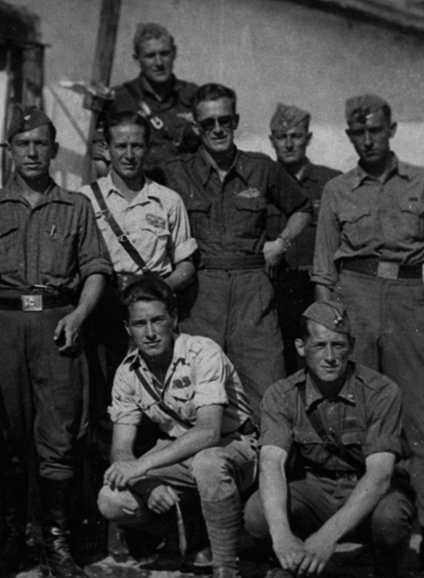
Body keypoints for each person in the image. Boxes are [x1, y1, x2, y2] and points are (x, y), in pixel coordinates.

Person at [313, 94, 424, 578]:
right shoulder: (338, 191)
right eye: (358, 133)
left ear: (392, 128)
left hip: (407, 301)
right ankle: (369, 532)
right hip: (353, 301)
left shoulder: (423, 182)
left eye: (375, 131)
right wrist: (331, 323)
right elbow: (322, 270)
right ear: (348, 135)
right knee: (357, 418)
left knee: (420, 420)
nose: (367, 140)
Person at [0, 105, 112, 578]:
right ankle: (14, 539)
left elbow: (97, 268)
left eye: (41, 143)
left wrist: (79, 315)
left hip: (58, 324)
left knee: (59, 436)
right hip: (5, 325)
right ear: (10, 151)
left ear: (54, 150)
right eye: (23, 144)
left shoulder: (76, 206)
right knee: (9, 436)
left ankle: (57, 542)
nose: (32, 152)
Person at [242, 301, 423, 578]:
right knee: (258, 513)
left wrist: (327, 537)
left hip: (367, 494)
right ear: (300, 348)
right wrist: (281, 534)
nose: (329, 356)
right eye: (319, 345)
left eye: (338, 345)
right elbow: (271, 464)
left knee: (391, 516)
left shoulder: (382, 391)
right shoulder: (282, 395)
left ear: (351, 347)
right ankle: (284, 571)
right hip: (316, 490)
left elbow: (380, 477)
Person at [98, 277, 258, 578]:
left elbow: (209, 432)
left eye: (157, 320)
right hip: (178, 451)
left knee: (207, 462)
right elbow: (121, 449)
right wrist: (146, 485)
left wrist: (142, 467)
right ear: (128, 328)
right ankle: (189, 533)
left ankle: (226, 571)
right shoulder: (128, 372)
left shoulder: (203, 351)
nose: (150, 332)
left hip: (235, 446)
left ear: (173, 318)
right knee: (111, 498)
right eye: (139, 323)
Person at [163, 83, 313, 420]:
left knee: (268, 392)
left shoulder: (261, 168)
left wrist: (282, 242)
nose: (217, 129)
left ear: (236, 120)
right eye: (207, 123)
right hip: (199, 295)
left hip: (253, 293)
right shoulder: (176, 172)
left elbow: (302, 207)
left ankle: (271, 470)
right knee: (196, 396)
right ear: (197, 127)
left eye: (224, 121)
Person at [80, 110, 197, 382]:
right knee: (105, 390)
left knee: (158, 385)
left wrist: (157, 291)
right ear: (107, 150)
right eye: (121, 146)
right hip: (103, 307)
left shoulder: (168, 200)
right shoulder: (85, 199)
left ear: (147, 148)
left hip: (150, 313)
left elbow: (186, 266)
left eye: (137, 146)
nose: (129, 155)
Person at [266, 103, 342, 373]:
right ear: (271, 140)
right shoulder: (261, 181)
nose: (288, 144)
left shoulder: (331, 183)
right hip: (277, 291)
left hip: (318, 289)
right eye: (281, 137)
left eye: (296, 136)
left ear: (308, 138)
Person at [92, 23, 199, 180]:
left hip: (186, 192)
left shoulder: (193, 95)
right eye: (150, 56)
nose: (159, 63)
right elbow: (100, 155)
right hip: (139, 192)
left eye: (164, 54)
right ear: (137, 59)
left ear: (174, 53)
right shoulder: (118, 99)